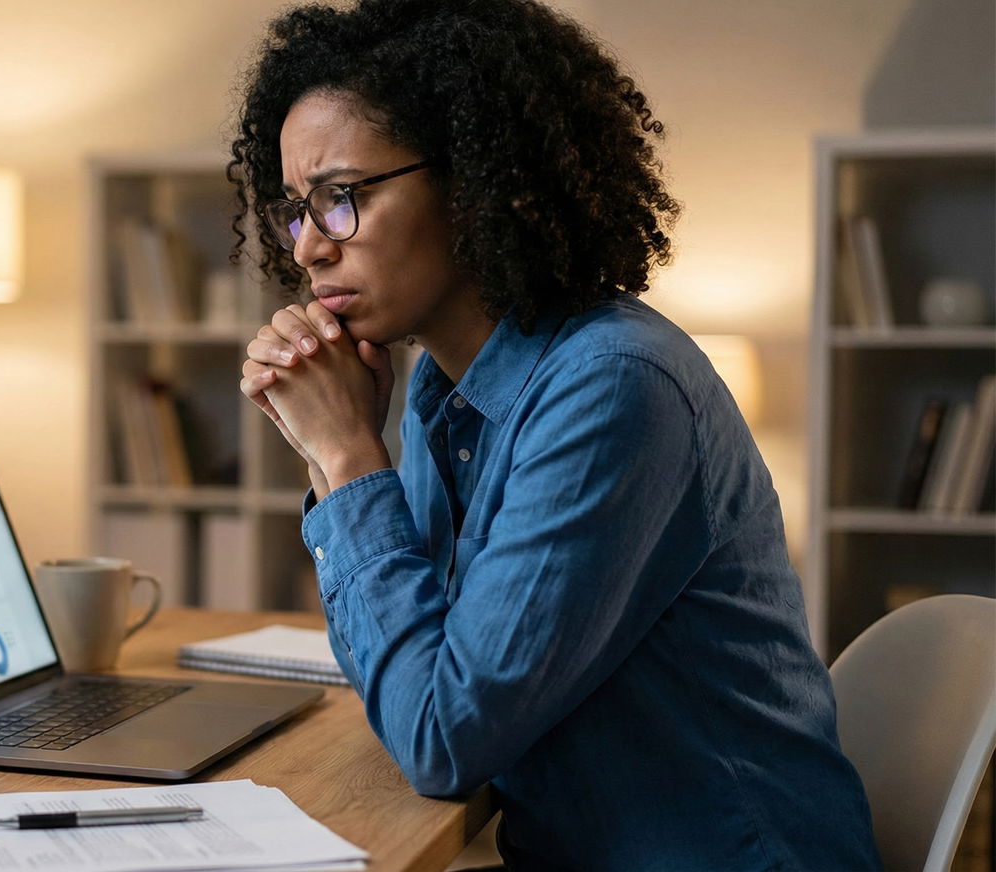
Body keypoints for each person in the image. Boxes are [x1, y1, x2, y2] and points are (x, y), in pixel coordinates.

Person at [228, 1, 880, 869]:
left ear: (475, 183)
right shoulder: (438, 386)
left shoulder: (614, 387)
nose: (308, 246)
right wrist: (331, 446)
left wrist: (347, 457)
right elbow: (420, 673)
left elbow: (441, 741)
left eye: (341, 198)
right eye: (295, 209)